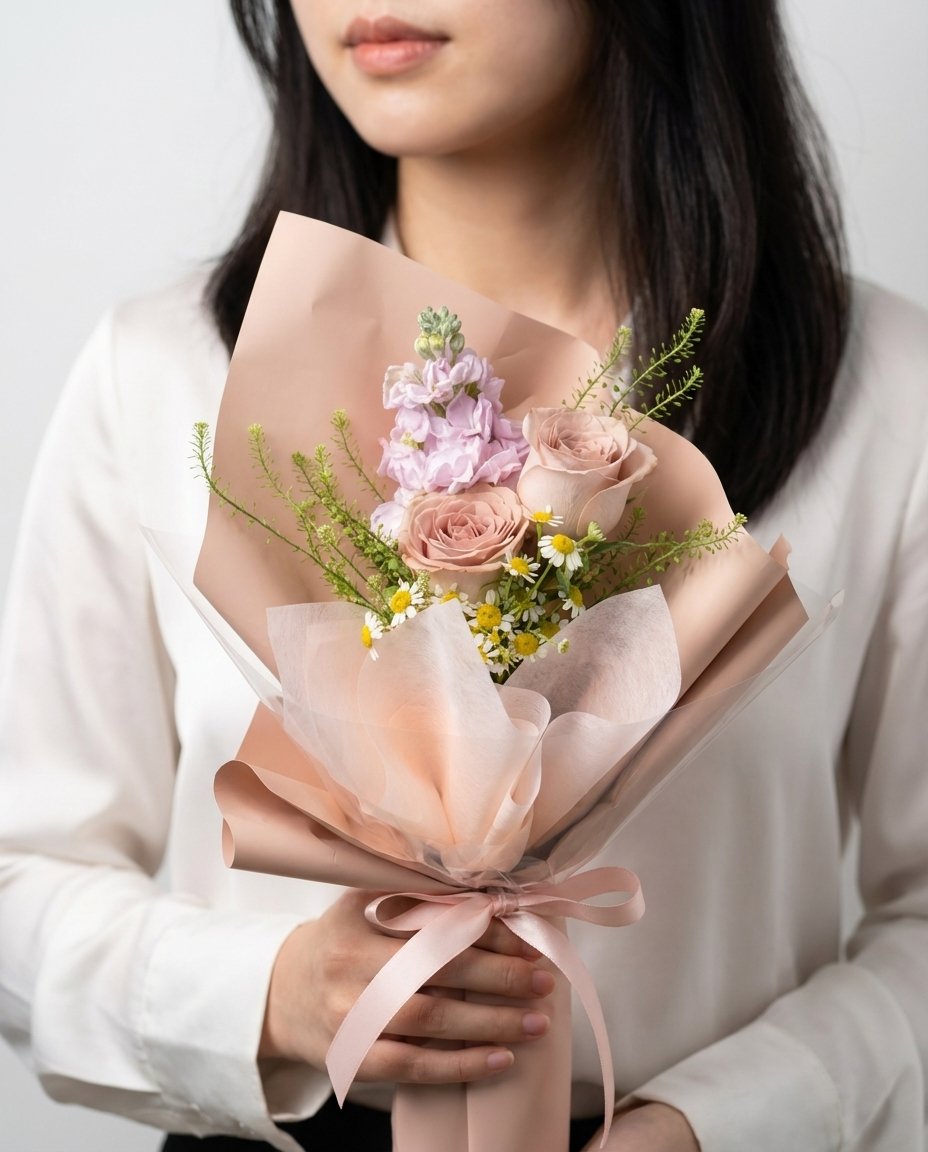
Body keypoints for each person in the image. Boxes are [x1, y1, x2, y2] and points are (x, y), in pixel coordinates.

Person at [1, 2, 926, 1150]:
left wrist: (723, 1122)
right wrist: (276, 993)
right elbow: (21, 877)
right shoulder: (164, 373)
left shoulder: (882, 387)